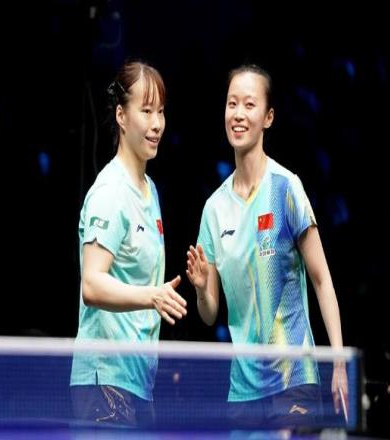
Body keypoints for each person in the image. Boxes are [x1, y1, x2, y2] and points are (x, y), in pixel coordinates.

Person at [186, 64, 348, 428]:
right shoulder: (214, 209)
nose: (238, 114)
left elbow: (322, 280)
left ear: (268, 117)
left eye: (249, 104)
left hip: (293, 379)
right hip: (243, 389)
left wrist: (338, 363)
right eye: (232, 104)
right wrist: (200, 289)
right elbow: (210, 314)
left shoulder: (286, 188)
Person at [71, 61, 187, 428]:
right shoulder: (110, 192)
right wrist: (153, 296)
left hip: (137, 379)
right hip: (104, 380)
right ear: (121, 116)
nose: (157, 124)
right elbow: (92, 284)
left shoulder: (149, 191)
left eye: (161, 112)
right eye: (146, 111)